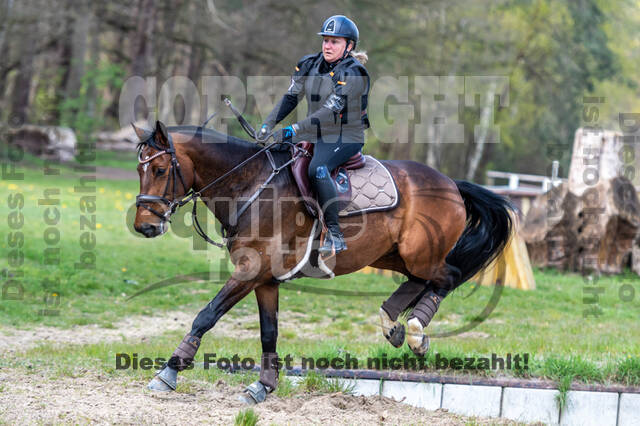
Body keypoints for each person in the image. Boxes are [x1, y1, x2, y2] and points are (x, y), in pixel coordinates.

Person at [259, 15, 371, 255]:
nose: (328, 46)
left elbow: (329, 112)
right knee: (275, 155)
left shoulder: (355, 73)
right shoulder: (308, 64)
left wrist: (293, 130)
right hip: (315, 131)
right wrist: (268, 124)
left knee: (317, 169)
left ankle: (335, 233)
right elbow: (291, 98)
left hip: (345, 136)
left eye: (335, 42)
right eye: (326, 40)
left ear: (349, 46)